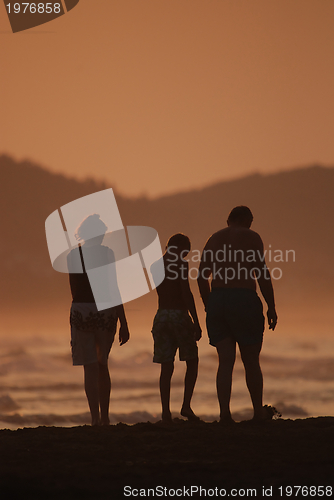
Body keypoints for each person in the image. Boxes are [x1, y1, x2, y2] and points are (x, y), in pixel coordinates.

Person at [197, 206, 278, 423]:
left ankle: (225, 414)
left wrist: (209, 304)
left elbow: (201, 277)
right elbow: (261, 273)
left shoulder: (213, 239)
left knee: (225, 361)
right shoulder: (252, 237)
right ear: (246, 219)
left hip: (219, 299)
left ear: (228, 219)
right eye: (251, 221)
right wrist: (271, 306)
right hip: (243, 298)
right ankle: (257, 412)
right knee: (251, 360)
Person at [67, 214, 130, 426]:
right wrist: (123, 320)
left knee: (90, 366)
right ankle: (104, 417)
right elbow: (113, 286)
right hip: (105, 309)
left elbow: (74, 289)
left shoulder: (73, 255)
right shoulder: (107, 254)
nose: (104, 237)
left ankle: (95, 418)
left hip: (82, 308)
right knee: (102, 365)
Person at [151, 233, 202, 423]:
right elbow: (185, 292)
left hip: (161, 315)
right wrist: (196, 321)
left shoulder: (155, 265)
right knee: (192, 360)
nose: (185, 256)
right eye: (185, 252)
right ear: (179, 248)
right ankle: (186, 406)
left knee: (166, 366)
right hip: (179, 315)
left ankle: (165, 412)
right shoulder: (180, 264)